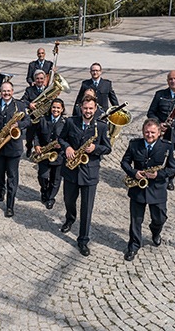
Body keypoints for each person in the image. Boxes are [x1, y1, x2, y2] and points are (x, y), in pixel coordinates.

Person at [57, 95, 112, 256]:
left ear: (95, 109)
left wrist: (95, 148)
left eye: (91, 108)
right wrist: (66, 147)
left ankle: (83, 240)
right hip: (71, 171)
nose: (88, 111)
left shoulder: (101, 127)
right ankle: (70, 218)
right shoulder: (70, 122)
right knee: (68, 200)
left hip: (90, 173)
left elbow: (107, 148)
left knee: (87, 209)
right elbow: (61, 138)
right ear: (81, 107)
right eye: (85, 108)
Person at [121, 118, 175, 261]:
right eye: (147, 132)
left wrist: (158, 174)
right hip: (138, 189)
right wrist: (134, 173)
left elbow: (173, 167)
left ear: (159, 133)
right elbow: (124, 162)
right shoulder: (134, 144)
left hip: (157, 189)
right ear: (143, 132)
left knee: (160, 218)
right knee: (136, 220)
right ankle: (133, 246)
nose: (149, 135)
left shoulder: (167, 147)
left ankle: (155, 231)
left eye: (153, 132)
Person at [0, 81, 29, 217]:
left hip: (13, 147)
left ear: (13, 91)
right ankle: (1, 190)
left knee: (12, 176)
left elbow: (28, 121)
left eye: (9, 91)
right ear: (0, 92)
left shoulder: (20, 105)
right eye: (4, 91)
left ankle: (10, 205)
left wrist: (19, 124)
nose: (6, 93)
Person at [34, 99, 66, 209]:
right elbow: (37, 135)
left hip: (58, 155)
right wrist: (37, 145)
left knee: (55, 179)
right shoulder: (43, 120)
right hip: (44, 153)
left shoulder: (66, 123)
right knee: (42, 176)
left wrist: (61, 145)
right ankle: (44, 189)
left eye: (58, 108)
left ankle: (50, 197)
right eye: (54, 107)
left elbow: (69, 139)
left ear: (62, 109)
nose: (55, 110)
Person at [22, 70, 49, 155]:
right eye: (37, 78)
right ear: (34, 79)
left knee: (43, 135)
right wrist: (29, 104)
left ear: (44, 79)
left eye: (41, 78)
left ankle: (41, 151)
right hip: (33, 117)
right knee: (29, 136)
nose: (39, 80)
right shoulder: (29, 90)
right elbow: (22, 101)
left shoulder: (48, 90)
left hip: (44, 117)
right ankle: (29, 147)